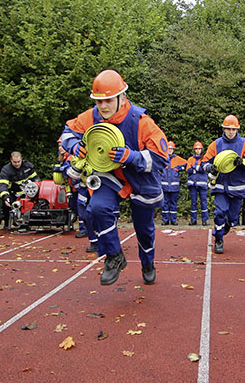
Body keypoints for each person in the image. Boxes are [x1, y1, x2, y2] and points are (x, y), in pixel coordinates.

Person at [60, 70, 167, 286]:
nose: (103, 107)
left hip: (140, 178)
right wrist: (74, 146)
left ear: (122, 98)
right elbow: (67, 133)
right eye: (99, 101)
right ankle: (114, 256)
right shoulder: (90, 117)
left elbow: (161, 158)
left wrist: (132, 156)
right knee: (96, 208)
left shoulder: (141, 121)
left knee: (144, 229)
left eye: (108, 100)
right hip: (109, 175)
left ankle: (148, 263)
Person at [204, 115, 245, 254]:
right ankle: (219, 239)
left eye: (233, 129)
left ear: (237, 129)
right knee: (220, 211)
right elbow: (204, 163)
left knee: (233, 217)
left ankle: (227, 225)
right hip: (221, 186)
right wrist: (210, 168)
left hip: (238, 187)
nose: (231, 132)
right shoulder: (216, 144)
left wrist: (243, 163)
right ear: (224, 129)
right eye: (228, 129)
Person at [0, 151, 38, 229]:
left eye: (18, 161)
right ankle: (7, 223)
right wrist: (5, 197)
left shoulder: (28, 166)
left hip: (27, 194)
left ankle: (26, 222)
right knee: (6, 205)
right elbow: (2, 185)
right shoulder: (6, 170)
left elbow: (36, 179)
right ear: (11, 160)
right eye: (14, 162)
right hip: (13, 193)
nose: (17, 164)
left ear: (21, 159)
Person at [161, 141, 185, 225]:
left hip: (174, 187)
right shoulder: (162, 158)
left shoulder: (177, 159)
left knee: (173, 204)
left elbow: (187, 163)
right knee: (164, 204)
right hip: (164, 186)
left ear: (173, 150)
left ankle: (173, 220)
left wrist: (180, 168)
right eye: (168, 148)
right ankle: (165, 220)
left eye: (171, 149)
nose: (170, 150)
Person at [186, 141, 210, 225]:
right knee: (193, 203)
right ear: (194, 150)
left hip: (202, 184)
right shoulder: (190, 159)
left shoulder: (205, 159)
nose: (198, 150)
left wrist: (194, 168)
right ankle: (193, 220)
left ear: (201, 149)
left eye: (199, 149)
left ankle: (204, 220)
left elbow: (204, 169)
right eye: (196, 149)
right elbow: (188, 170)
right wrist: (197, 168)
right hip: (192, 184)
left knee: (203, 202)